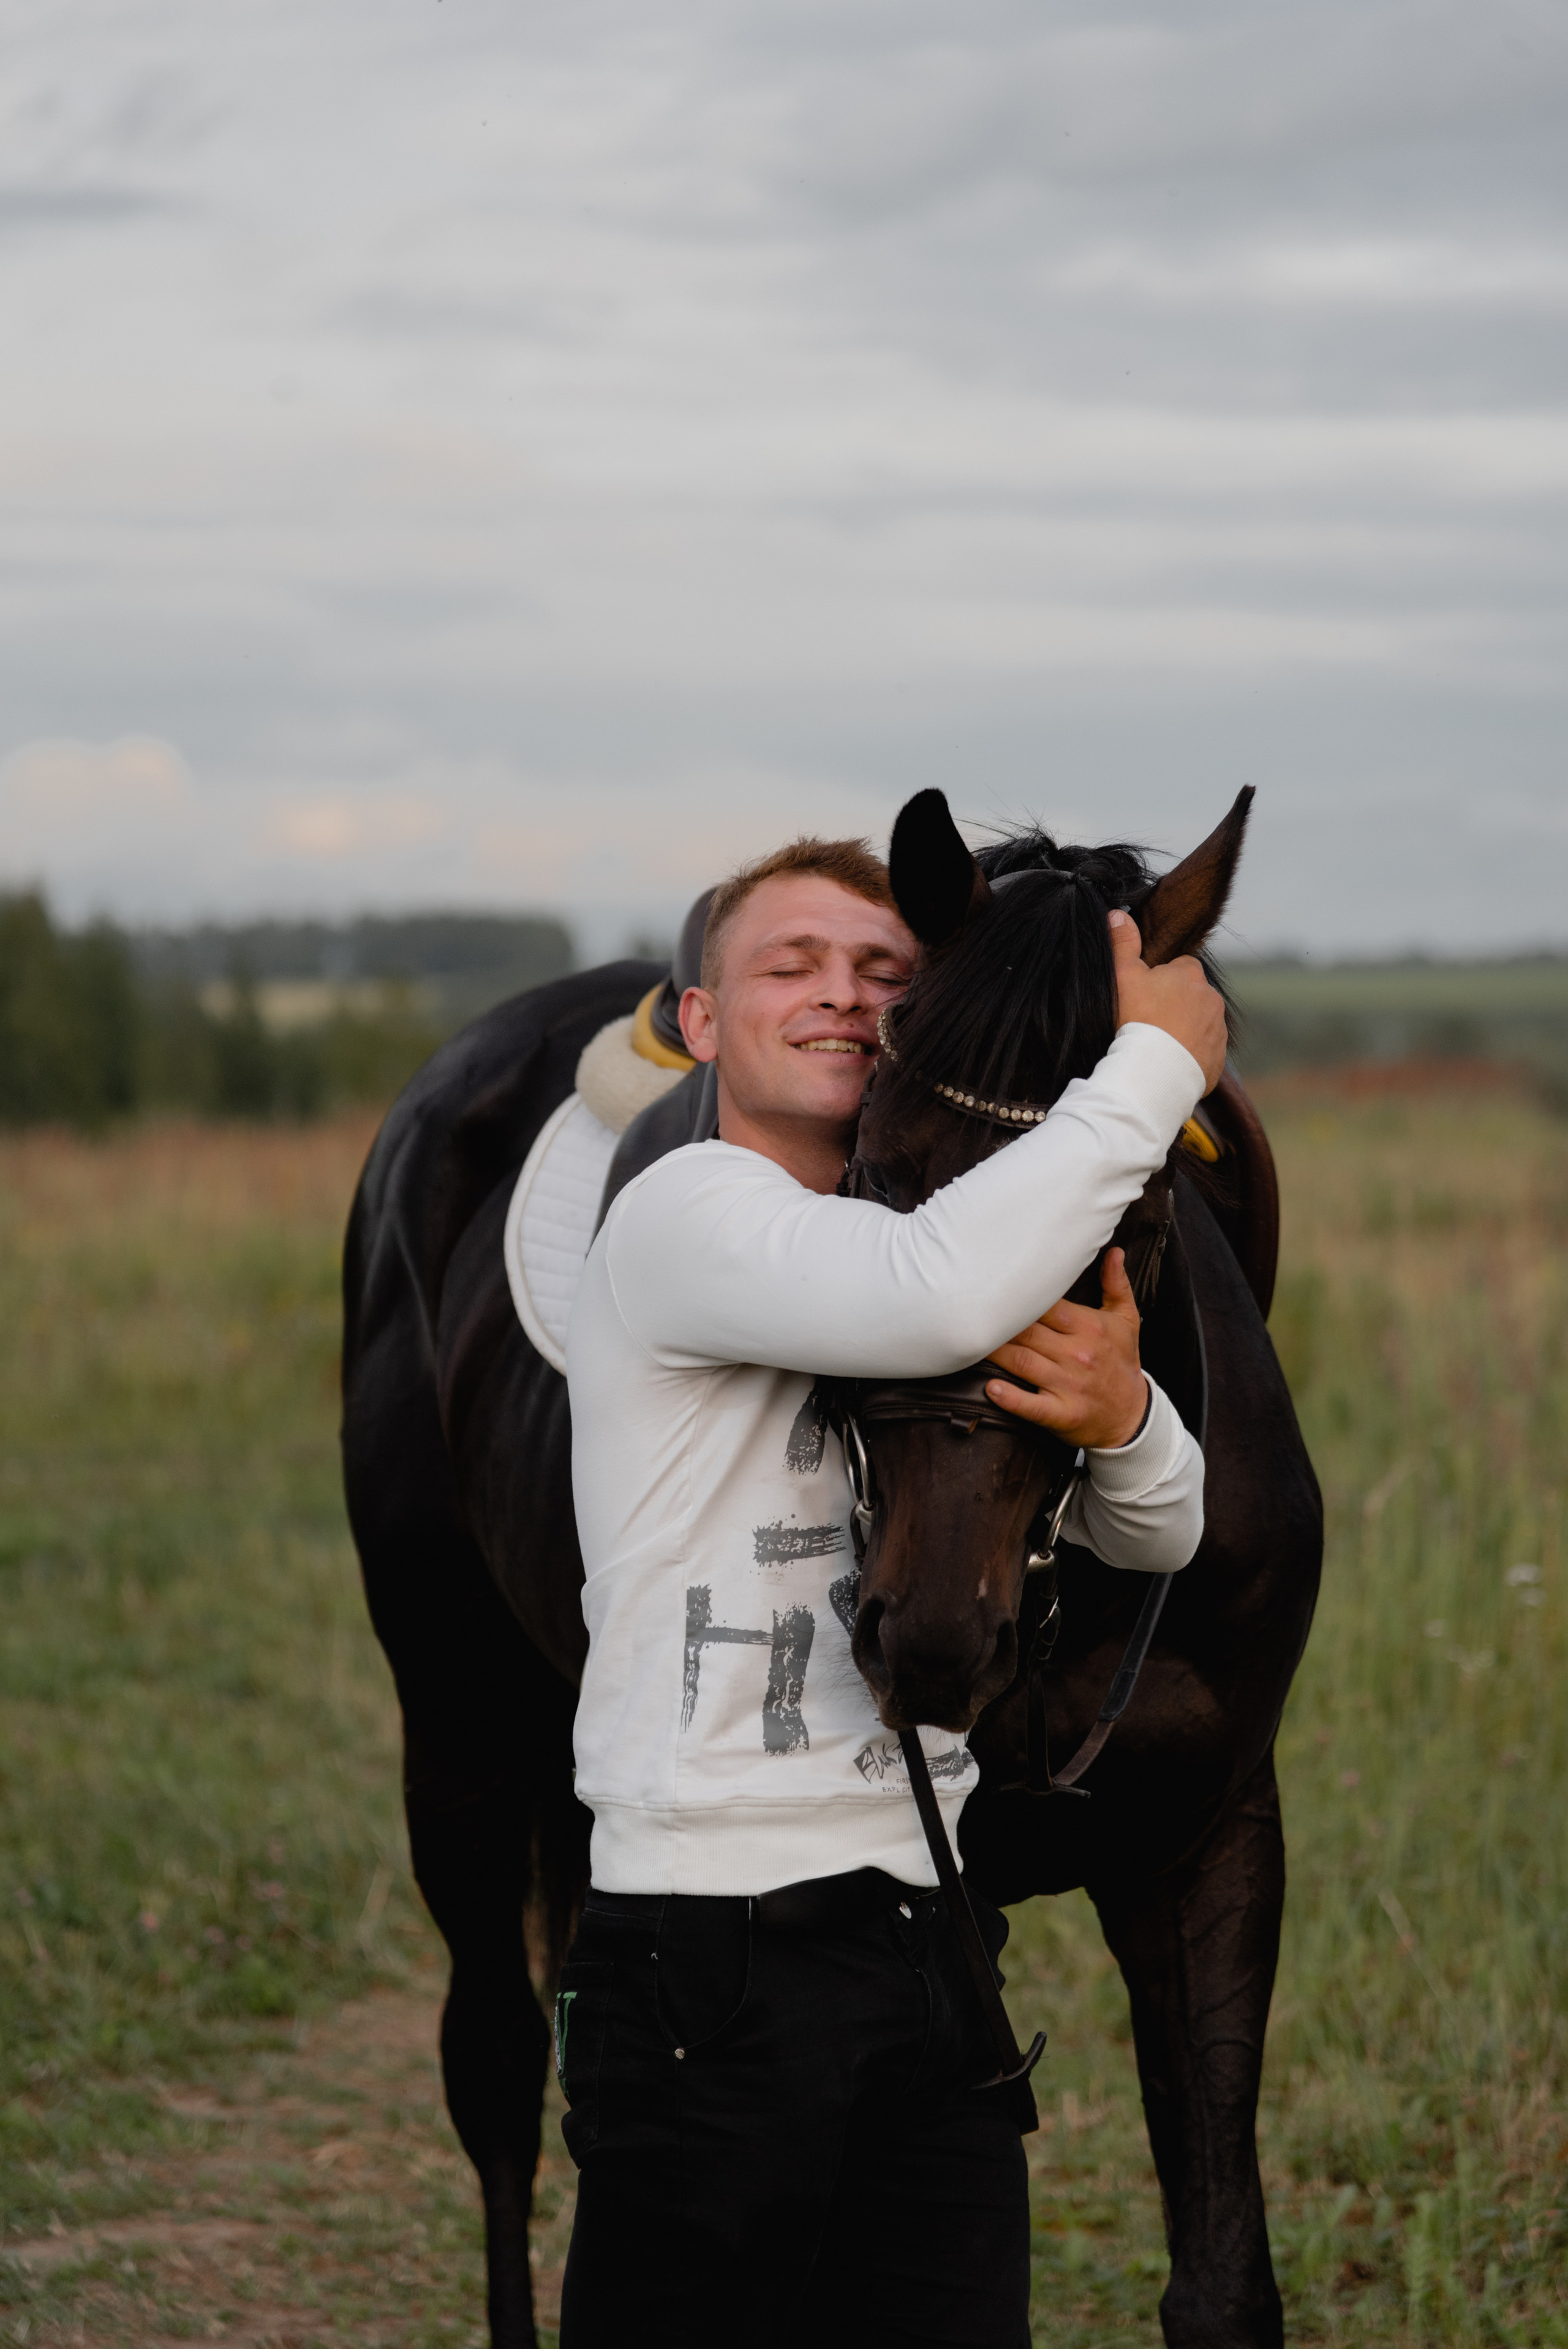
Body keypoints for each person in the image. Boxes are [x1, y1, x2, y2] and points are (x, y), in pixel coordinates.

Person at [557, 836, 1226, 2348]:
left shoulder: (961, 1243)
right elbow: (926, 1293)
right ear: (702, 1020)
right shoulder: (688, 1216)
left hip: (928, 1923)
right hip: (704, 1947)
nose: (840, 995)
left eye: (879, 972)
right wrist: (1151, 1064)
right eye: (786, 965)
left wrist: (1120, 1417)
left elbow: (1163, 1533)